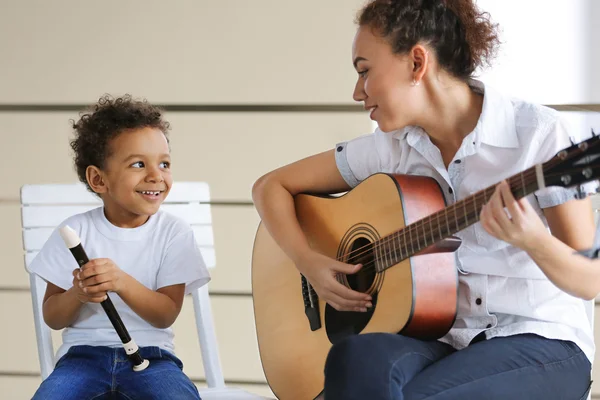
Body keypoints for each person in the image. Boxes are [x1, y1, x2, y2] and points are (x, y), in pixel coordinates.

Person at [252, 0, 597, 398]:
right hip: (440, 339)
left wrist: (533, 240)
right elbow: (270, 186)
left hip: (539, 342)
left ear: (417, 63)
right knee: (354, 360)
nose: (356, 92)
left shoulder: (539, 135)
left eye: (365, 71)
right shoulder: (393, 147)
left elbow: (589, 281)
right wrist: (307, 260)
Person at [28, 95, 210, 400]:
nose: (156, 175)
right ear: (99, 179)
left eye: (164, 163)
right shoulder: (75, 231)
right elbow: (53, 317)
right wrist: (78, 294)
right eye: (139, 164)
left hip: (154, 359)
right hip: (81, 359)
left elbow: (165, 315)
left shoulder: (174, 233)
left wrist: (121, 282)